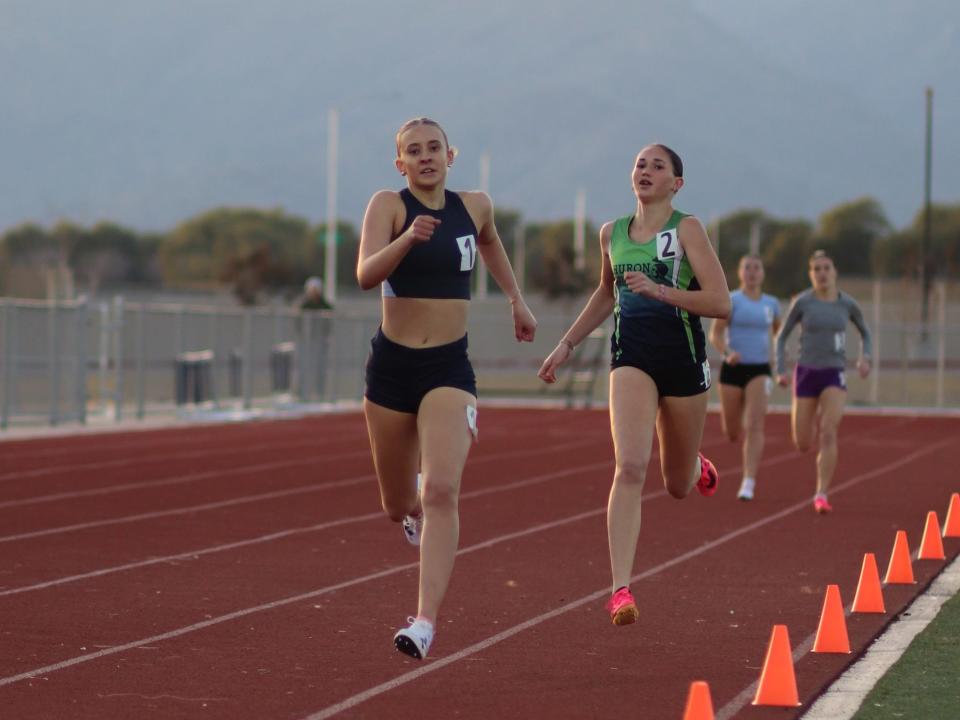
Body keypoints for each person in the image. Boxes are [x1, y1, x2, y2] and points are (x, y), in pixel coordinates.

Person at [357, 117, 537, 659]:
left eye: (434, 148)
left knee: (442, 492)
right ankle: (409, 511)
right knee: (397, 504)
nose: (426, 157)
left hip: (448, 368)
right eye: (415, 151)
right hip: (392, 368)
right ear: (401, 164)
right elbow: (366, 274)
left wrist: (515, 299)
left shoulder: (474, 205)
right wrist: (407, 240)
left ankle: (424, 622)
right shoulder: (388, 206)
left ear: (450, 155)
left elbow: (492, 245)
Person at [538, 143, 730, 626]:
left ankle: (694, 463)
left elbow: (721, 302)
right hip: (632, 358)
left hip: (684, 362)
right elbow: (607, 292)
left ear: (676, 183)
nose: (646, 170)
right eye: (640, 164)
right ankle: (620, 589)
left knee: (678, 484)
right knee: (630, 466)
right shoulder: (612, 234)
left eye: (657, 166)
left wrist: (661, 290)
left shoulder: (687, 229)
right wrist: (567, 344)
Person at [775, 249, 872, 513]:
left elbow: (865, 332)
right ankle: (810, 424)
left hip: (834, 372)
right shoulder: (803, 303)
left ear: (835, 272)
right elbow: (782, 336)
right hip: (806, 372)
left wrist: (866, 358)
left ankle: (821, 493)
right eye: (816, 269)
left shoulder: (847, 304)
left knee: (829, 432)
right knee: (803, 442)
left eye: (826, 268)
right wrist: (781, 369)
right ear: (811, 274)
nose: (822, 273)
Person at [709, 255, 781, 501]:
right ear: (740, 273)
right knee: (731, 431)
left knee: (755, 424)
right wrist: (728, 353)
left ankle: (748, 481)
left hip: (759, 369)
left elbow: (779, 336)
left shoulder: (772, 304)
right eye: (747, 268)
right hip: (733, 369)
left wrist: (780, 364)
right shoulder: (732, 300)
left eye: (756, 268)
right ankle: (735, 426)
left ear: (763, 273)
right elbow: (716, 335)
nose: (752, 272)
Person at [297, 276, 334, 398]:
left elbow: (329, 322)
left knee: (320, 367)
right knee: (304, 367)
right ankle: (302, 392)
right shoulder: (304, 306)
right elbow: (298, 322)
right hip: (306, 342)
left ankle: (320, 392)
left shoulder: (325, 305)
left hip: (320, 342)